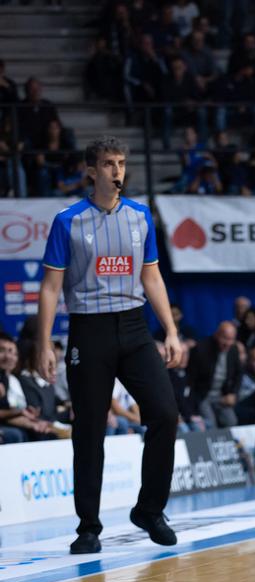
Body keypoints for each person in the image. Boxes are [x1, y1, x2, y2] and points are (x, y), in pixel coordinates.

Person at [37, 136, 182, 555]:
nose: (116, 170)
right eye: (107, 163)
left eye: (120, 162)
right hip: (89, 330)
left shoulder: (140, 216)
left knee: (165, 414)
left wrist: (170, 331)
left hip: (134, 327)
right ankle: (88, 526)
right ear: (91, 171)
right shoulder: (68, 221)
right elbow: (50, 288)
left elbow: (151, 276)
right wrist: (44, 344)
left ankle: (149, 510)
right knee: (89, 429)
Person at [188, 321, 241, 429]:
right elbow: (191, 380)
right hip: (203, 395)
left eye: (231, 339)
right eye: (225, 338)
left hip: (222, 395)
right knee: (210, 425)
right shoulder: (200, 349)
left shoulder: (233, 350)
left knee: (232, 422)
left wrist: (233, 393)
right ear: (217, 335)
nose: (227, 343)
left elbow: (238, 374)